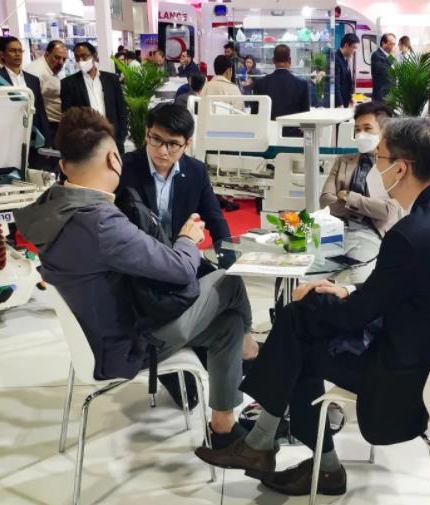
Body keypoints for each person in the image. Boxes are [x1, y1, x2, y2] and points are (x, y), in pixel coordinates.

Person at [194, 117, 430, 497]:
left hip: (403, 379)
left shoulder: (412, 235)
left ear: (401, 168)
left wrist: (323, 300)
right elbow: (402, 290)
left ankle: (286, 452)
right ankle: (265, 445)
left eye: (379, 157)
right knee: (303, 319)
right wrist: (343, 293)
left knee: (299, 330)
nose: (374, 167)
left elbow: (356, 315)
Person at [15, 106, 254, 449]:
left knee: (229, 323)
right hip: (130, 341)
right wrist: (188, 239)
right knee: (229, 283)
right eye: (156, 140)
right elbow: (180, 267)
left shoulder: (52, 208)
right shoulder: (100, 222)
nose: (163, 150)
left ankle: (223, 428)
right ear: (113, 159)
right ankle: (251, 350)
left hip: (99, 332)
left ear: (63, 166)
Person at [118, 103, 260, 359]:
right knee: (221, 296)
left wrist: (230, 262)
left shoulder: (195, 171)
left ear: (187, 144)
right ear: (146, 134)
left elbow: (215, 219)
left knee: (228, 290)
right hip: (143, 266)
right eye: (156, 139)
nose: (163, 150)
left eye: (173, 144)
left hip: (181, 259)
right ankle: (243, 346)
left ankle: (241, 343)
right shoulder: (125, 169)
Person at [320, 102, 401, 282]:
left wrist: (348, 196)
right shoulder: (343, 161)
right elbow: (325, 201)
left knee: (359, 282)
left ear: (384, 131)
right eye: (357, 129)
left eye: (367, 128)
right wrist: (367, 208)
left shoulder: (395, 166)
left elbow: (387, 211)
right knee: (308, 279)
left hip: (369, 233)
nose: (361, 134)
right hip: (334, 231)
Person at [61, 42, 128, 153]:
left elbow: (121, 109)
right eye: (77, 57)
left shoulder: (111, 80)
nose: (81, 61)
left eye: (84, 56)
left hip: (112, 138)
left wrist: (121, 136)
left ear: (94, 55)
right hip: (86, 141)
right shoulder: (69, 83)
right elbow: (68, 116)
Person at [0, 37, 50, 151]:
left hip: (32, 133)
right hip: (8, 133)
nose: (17, 54)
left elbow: (40, 110)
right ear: (2, 54)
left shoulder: (33, 79)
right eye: (13, 50)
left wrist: (47, 139)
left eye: (20, 51)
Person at [25, 40, 68, 144]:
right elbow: (31, 104)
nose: (61, 62)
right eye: (57, 57)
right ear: (47, 54)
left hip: (59, 124)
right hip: (47, 126)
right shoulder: (35, 72)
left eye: (64, 59)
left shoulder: (55, 68)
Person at [252, 44, 309, 122]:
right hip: (293, 129)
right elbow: (305, 116)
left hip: (269, 128)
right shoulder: (302, 84)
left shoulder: (260, 83)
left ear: (273, 60)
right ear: (289, 60)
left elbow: (255, 114)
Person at [371, 33, 397, 103]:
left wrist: (393, 56)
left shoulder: (389, 56)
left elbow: (396, 68)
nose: (393, 46)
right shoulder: (377, 55)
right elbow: (384, 72)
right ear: (383, 43)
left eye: (394, 44)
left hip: (390, 95)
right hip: (381, 96)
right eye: (391, 44)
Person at [335, 33, 359, 108]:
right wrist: (340, 104)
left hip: (345, 101)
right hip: (338, 104)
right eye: (354, 47)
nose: (354, 51)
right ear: (346, 45)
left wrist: (351, 97)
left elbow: (348, 82)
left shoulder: (345, 59)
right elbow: (336, 85)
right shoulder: (336, 59)